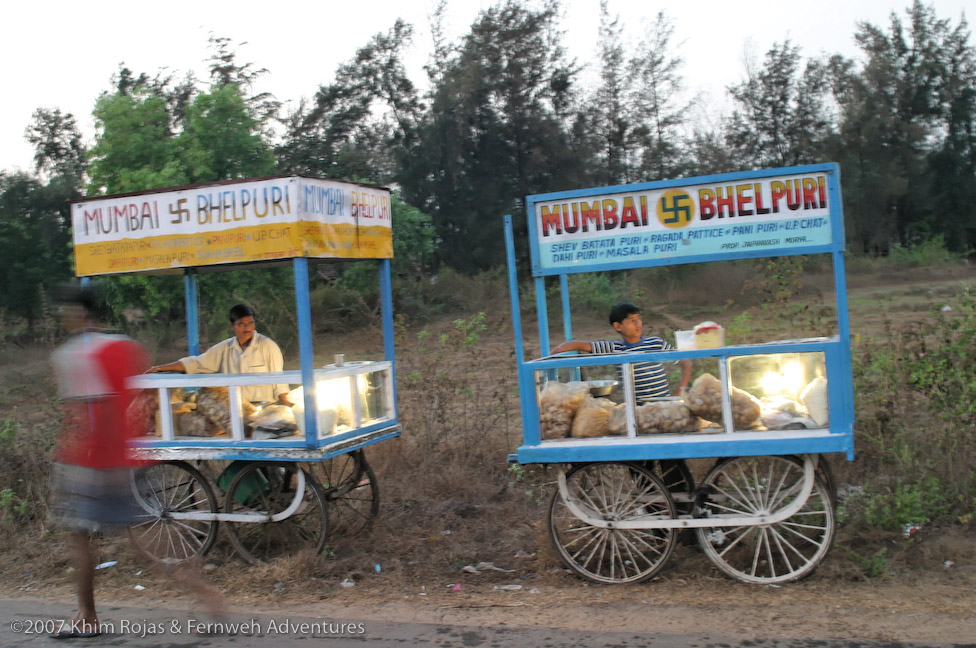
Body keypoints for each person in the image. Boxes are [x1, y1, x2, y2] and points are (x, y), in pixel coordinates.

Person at [48, 285, 223, 639]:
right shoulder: (124, 347)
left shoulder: (70, 356)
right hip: (128, 457)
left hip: (90, 462)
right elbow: (131, 403)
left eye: (65, 312)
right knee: (146, 541)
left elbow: (83, 417)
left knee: (80, 539)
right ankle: (209, 598)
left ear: (78, 313)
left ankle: (87, 616)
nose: (63, 318)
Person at [147, 303, 292, 406]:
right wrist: (161, 368)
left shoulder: (268, 346)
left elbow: (280, 383)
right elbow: (195, 363)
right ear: (232, 326)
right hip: (235, 411)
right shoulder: (224, 348)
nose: (247, 328)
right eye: (241, 324)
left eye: (250, 323)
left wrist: (290, 406)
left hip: (266, 408)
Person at [551, 302, 692, 401]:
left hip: (663, 405)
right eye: (632, 320)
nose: (638, 324)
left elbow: (686, 364)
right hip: (636, 410)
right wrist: (560, 349)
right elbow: (581, 345)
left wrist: (680, 391)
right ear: (618, 326)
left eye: (638, 319)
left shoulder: (656, 343)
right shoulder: (615, 348)